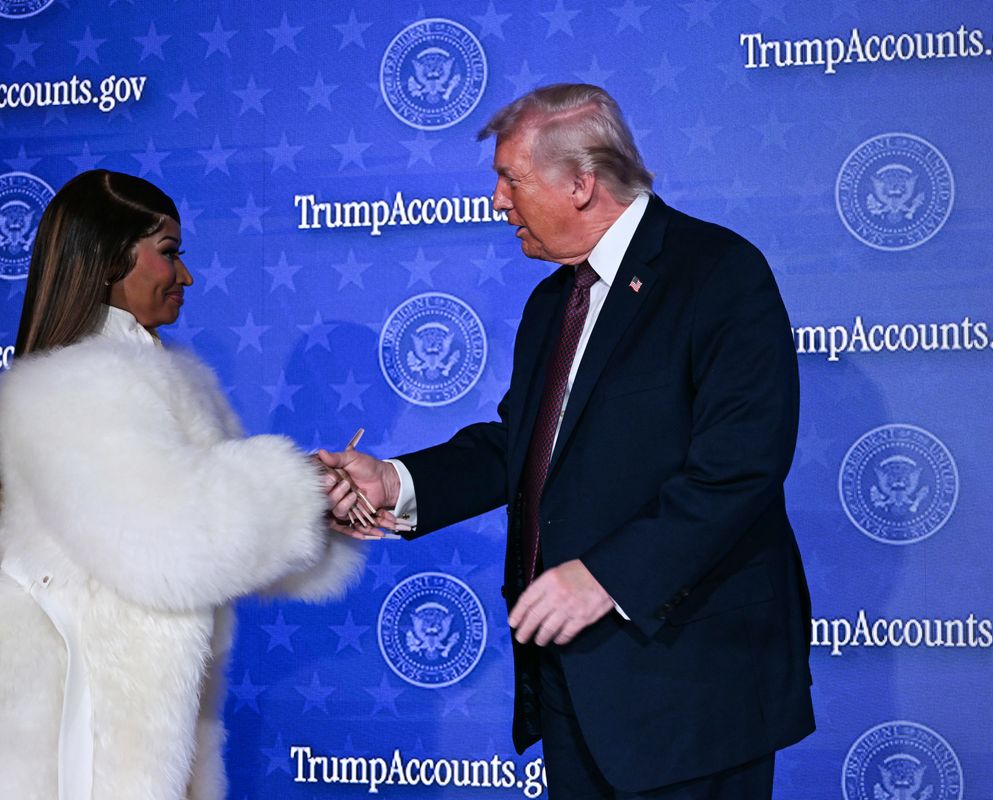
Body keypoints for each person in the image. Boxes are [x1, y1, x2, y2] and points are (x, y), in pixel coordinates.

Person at [320, 84, 814, 799]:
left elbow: (740, 469)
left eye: (510, 178)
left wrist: (609, 575)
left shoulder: (717, 274)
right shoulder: (554, 299)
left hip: (693, 688)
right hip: (576, 687)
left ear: (581, 183)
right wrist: (394, 483)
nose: (495, 200)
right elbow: (519, 446)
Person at [0, 170, 363, 800]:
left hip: (119, 707)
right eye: (170, 253)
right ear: (104, 261)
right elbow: (173, 541)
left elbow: (225, 537)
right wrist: (299, 492)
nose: (187, 277)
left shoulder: (166, 376)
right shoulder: (78, 384)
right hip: (70, 713)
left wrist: (323, 510)